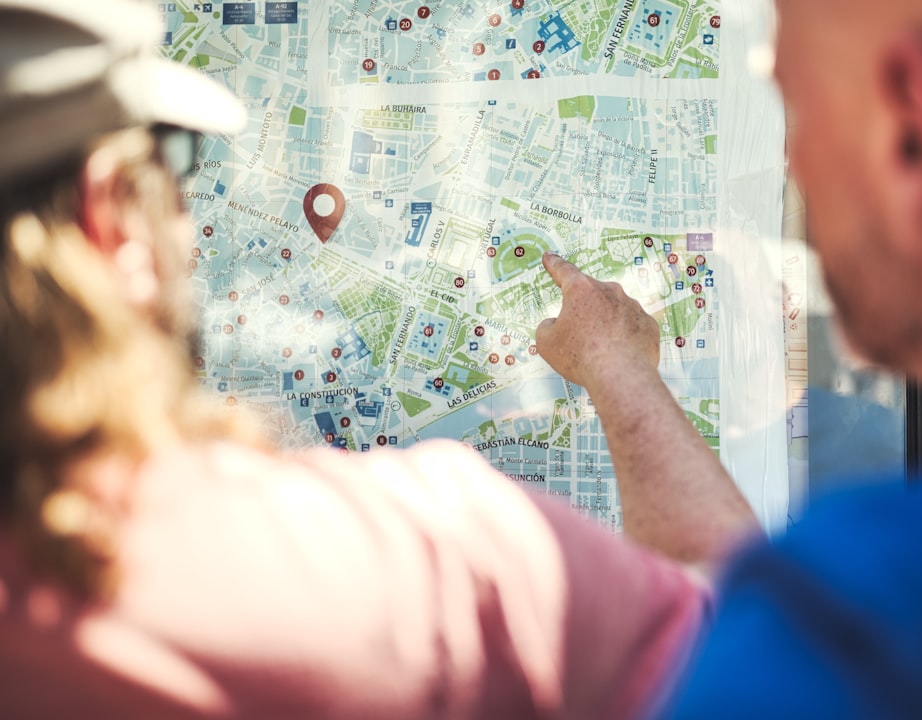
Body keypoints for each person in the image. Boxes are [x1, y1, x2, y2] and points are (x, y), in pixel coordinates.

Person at [0, 1, 749, 717]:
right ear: (108, 215)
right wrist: (620, 369)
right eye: (172, 158)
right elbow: (747, 650)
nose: (189, 228)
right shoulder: (411, 561)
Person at [537, 0, 922, 716]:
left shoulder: (871, 639)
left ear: (912, 130)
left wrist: (616, 368)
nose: (791, 164)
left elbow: (731, 646)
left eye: (796, 106)